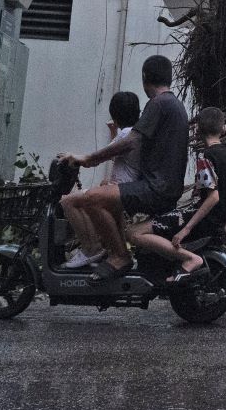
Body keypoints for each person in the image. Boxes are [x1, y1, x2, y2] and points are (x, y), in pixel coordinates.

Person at [60, 55, 189, 282]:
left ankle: (119, 256)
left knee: (92, 198)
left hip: (154, 187)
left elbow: (130, 141)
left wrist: (89, 159)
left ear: (145, 78)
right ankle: (113, 252)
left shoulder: (159, 104)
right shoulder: (175, 105)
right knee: (103, 196)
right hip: (164, 185)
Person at [128, 107, 226, 283]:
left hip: (200, 220)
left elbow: (213, 197)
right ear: (223, 128)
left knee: (134, 232)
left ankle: (189, 258)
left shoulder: (206, 157)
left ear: (197, 130)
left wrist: (186, 230)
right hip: (215, 221)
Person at [60, 91, 142, 269]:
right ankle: (114, 250)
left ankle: (91, 249)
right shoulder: (132, 133)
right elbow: (115, 154)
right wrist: (114, 131)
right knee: (95, 193)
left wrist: (74, 157)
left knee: (68, 201)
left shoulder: (126, 134)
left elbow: (97, 158)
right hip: (126, 189)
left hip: (120, 190)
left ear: (115, 114)